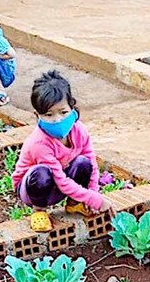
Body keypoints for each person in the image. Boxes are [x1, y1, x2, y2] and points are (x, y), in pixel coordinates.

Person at [11, 70, 113, 231]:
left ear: (72, 107)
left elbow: (91, 162)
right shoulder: (39, 143)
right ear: (37, 115)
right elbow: (60, 181)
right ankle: (39, 211)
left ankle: (74, 204)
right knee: (41, 172)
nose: (57, 119)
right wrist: (96, 201)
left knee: (83, 162)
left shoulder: (79, 131)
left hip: (60, 181)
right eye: (48, 114)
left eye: (63, 112)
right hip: (33, 189)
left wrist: (93, 194)